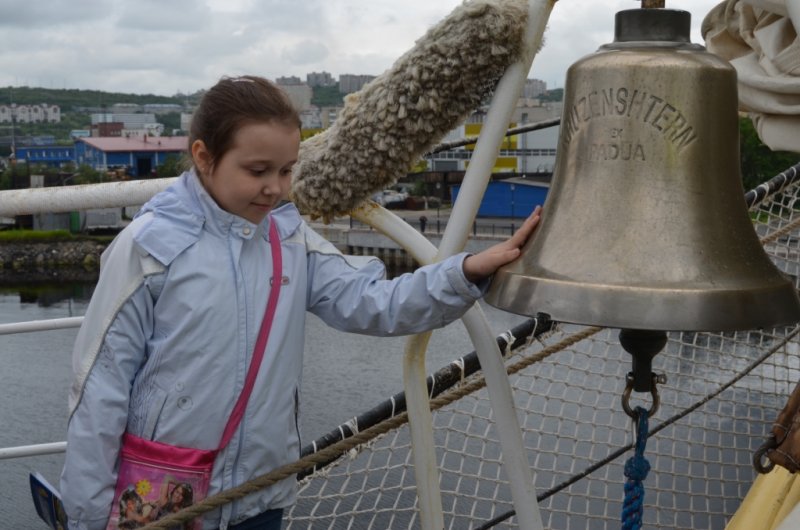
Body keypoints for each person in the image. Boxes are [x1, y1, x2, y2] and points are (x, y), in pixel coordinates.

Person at [59, 75, 542, 530]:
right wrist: (87, 516)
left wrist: (465, 271)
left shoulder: (288, 240)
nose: (276, 188)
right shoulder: (150, 248)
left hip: (260, 498)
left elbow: (372, 300)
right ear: (204, 157)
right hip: (164, 499)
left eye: (287, 170)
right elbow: (100, 387)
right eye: (257, 171)